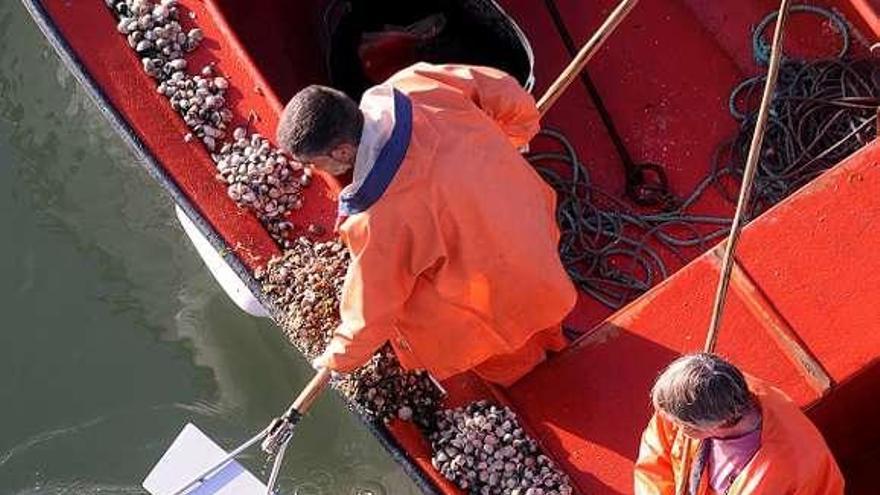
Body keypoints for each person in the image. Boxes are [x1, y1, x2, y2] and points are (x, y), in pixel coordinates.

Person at [275, 62, 577, 386]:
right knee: (547, 315)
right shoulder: (416, 82)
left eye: (312, 163)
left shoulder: (378, 219)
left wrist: (336, 358)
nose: (312, 171)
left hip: (499, 303)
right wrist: (516, 137)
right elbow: (507, 92)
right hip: (536, 241)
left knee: (516, 362)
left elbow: (370, 313)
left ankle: (547, 385)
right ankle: (559, 344)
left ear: (342, 151)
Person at [634, 353, 844, 495]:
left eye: (679, 424)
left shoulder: (803, 464)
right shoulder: (697, 394)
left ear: (707, 427)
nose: (671, 425)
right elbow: (655, 454)